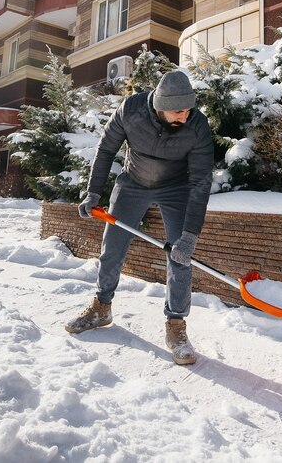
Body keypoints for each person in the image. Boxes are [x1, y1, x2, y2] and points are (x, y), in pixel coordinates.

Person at [65, 69, 214, 365]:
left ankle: (176, 325)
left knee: (180, 257)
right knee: (112, 248)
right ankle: (101, 307)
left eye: (189, 110)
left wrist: (189, 236)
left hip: (176, 188)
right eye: (178, 111)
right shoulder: (131, 110)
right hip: (132, 183)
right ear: (160, 105)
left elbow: (201, 181)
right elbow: (106, 150)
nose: (185, 116)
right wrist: (93, 193)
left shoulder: (197, 125)